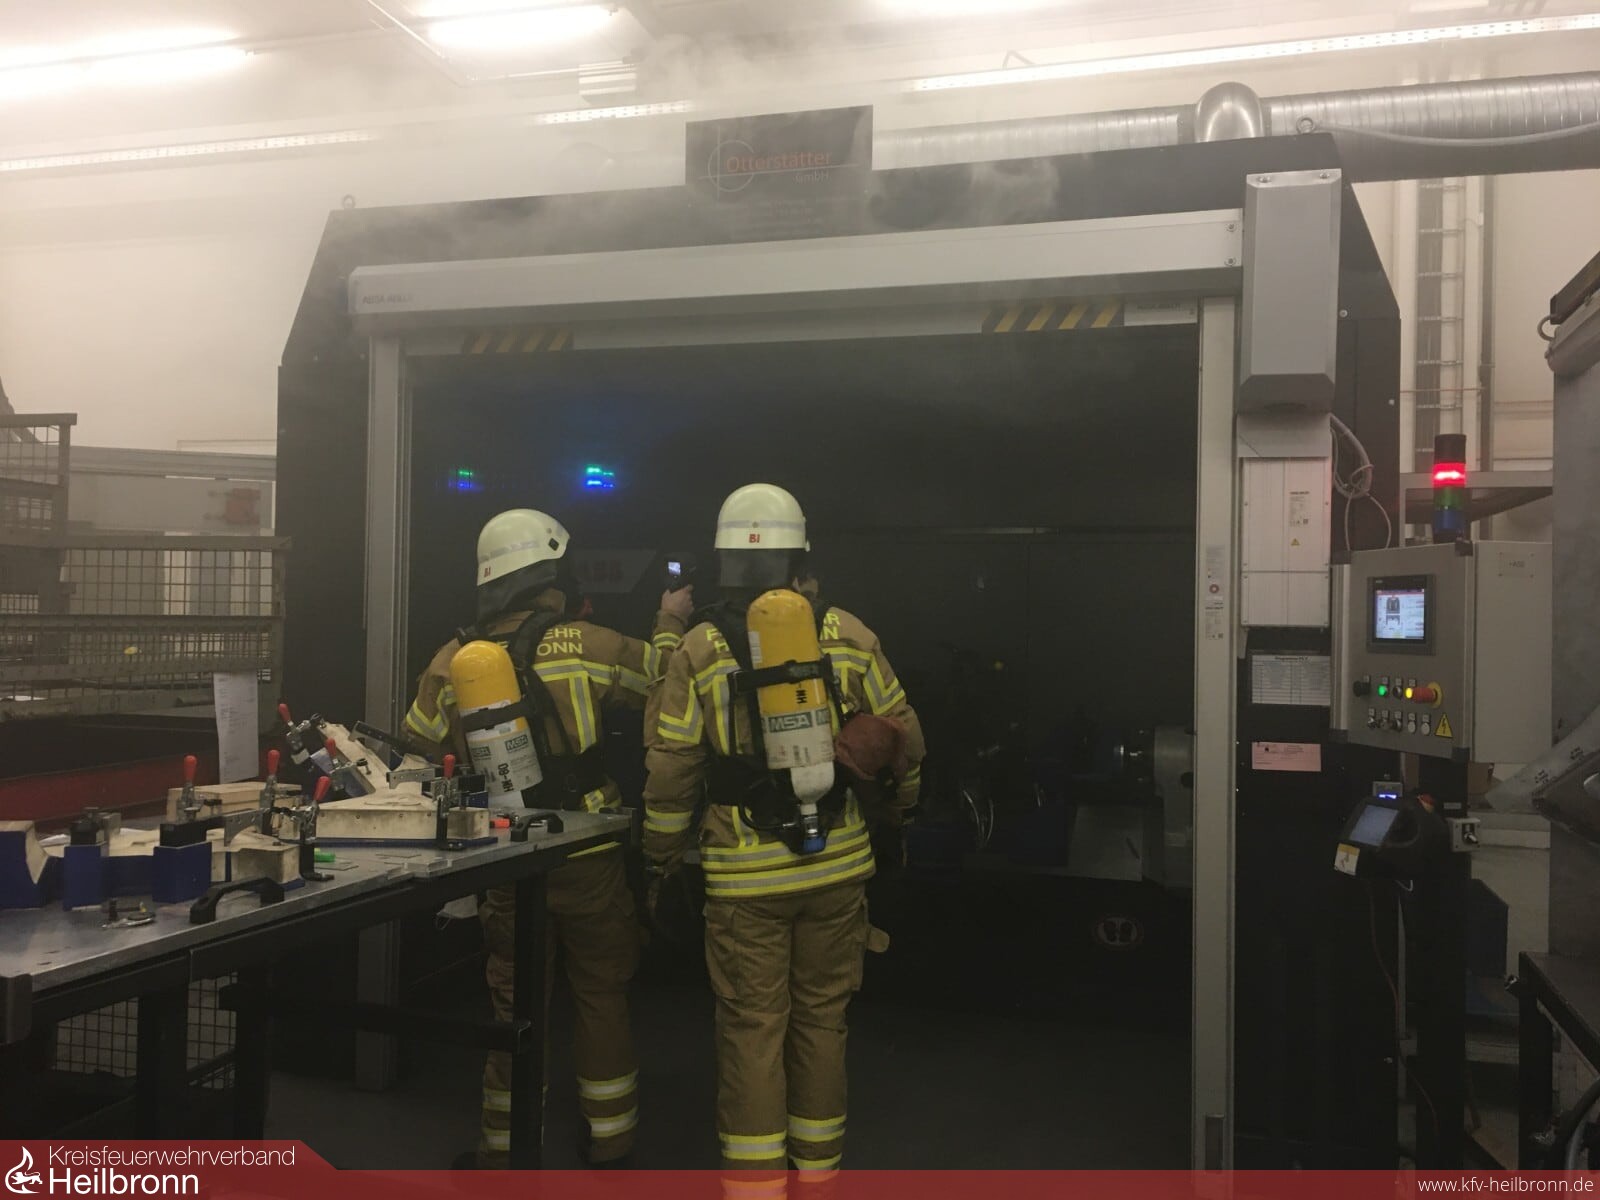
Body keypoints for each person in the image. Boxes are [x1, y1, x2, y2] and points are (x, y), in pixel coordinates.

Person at [641, 484, 924, 1179]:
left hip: (744, 880)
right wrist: (898, 818)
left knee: (752, 1029)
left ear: (723, 560)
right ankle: (818, 1177)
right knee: (823, 1021)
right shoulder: (849, 633)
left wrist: (661, 859)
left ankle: (756, 1187)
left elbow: (673, 766)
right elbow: (905, 742)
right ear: (800, 555)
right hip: (837, 866)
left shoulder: (699, 647)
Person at [404, 508, 693, 1168]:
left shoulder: (453, 660)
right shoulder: (588, 645)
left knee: (514, 998)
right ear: (547, 577)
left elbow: (418, 745)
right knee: (601, 990)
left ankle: (501, 1147)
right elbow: (668, 680)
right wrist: (670, 619)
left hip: (506, 853)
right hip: (588, 848)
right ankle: (611, 1137)